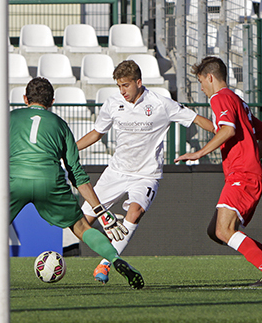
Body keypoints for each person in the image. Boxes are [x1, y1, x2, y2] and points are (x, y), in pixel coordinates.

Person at [0, 77, 145, 290]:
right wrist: (100, 211)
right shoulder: (60, 125)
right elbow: (76, 173)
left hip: (14, 181)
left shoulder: (9, 119)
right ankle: (115, 259)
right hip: (50, 181)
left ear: (25, 98)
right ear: (52, 101)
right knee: (80, 226)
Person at [76, 60, 214, 284]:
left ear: (138, 82)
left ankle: (105, 264)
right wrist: (71, 148)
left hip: (146, 175)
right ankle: (110, 224)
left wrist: (225, 132)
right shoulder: (112, 104)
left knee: (136, 211)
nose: (122, 91)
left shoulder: (161, 104)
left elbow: (197, 119)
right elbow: (96, 133)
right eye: (119, 86)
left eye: (126, 86)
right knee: (82, 223)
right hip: (116, 172)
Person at [175, 56, 262, 286]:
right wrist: (252, 159)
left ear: (210, 77)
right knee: (215, 231)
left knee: (223, 230)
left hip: (242, 175)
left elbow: (227, 129)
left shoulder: (220, 97)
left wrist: (199, 153)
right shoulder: (236, 100)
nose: (202, 88)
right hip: (247, 173)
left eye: (201, 81)